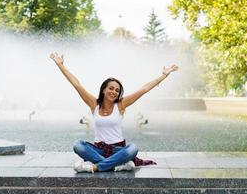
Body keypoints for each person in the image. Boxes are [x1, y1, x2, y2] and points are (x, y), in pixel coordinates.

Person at [50, 52, 178, 173]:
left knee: (133, 148)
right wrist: (60, 65)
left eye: (117, 90)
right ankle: (117, 165)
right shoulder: (94, 104)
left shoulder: (121, 104)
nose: (114, 92)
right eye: (111, 88)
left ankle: (96, 167)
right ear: (104, 90)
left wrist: (164, 75)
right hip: (99, 149)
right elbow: (77, 84)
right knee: (78, 145)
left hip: (118, 149)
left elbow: (144, 89)